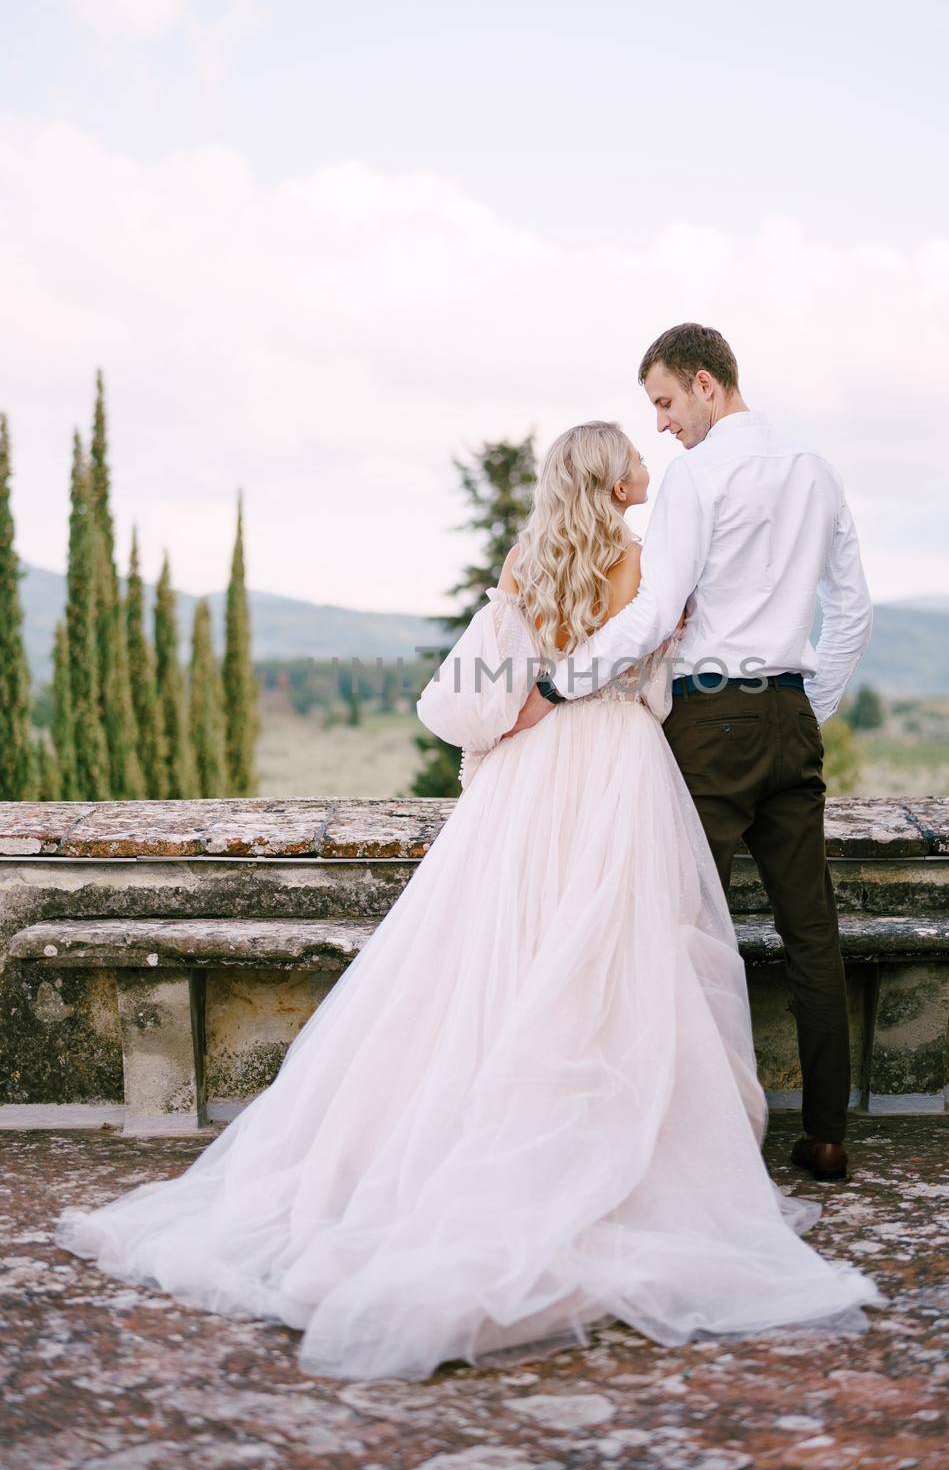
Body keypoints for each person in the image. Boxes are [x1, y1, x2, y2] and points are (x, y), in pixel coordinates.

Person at [55, 417, 884, 1384]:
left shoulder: (527, 564)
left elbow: (463, 695)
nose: (645, 463)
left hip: (531, 780)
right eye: (631, 455)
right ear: (613, 479)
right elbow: (658, 668)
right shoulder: (653, 566)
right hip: (622, 770)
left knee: (510, 951)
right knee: (619, 956)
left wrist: (513, 718)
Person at [505, 323, 875, 1184]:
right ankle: (825, 1134)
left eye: (666, 402)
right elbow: (851, 613)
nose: (663, 425)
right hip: (791, 715)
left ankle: (671, 1132)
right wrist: (799, 706)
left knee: (666, 926)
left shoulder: (696, 477)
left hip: (711, 725)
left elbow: (653, 608)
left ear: (707, 383)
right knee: (810, 934)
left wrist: (560, 685)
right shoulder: (816, 472)